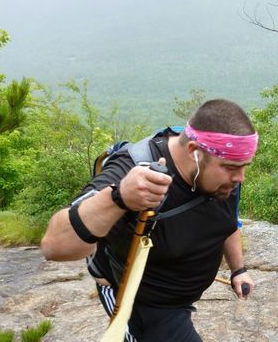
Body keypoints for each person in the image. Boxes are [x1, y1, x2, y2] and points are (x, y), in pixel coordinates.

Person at [41, 99, 257, 342]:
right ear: (194, 152)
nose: (241, 177)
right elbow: (53, 246)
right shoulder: (135, 168)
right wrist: (119, 197)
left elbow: (226, 222)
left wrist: (238, 269)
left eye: (244, 166)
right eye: (231, 167)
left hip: (179, 299)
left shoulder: (222, 177)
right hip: (143, 304)